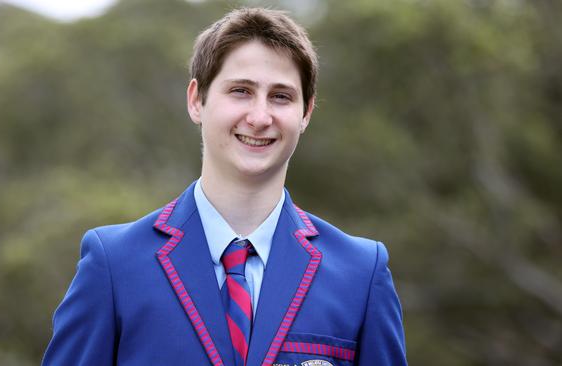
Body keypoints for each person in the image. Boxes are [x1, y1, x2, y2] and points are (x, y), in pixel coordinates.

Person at [42, 7, 407, 366]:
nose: (260, 117)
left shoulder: (361, 274)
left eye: (281, 96)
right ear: (196, 101)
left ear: (306, 112)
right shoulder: (114, 265)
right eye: (240, 91)